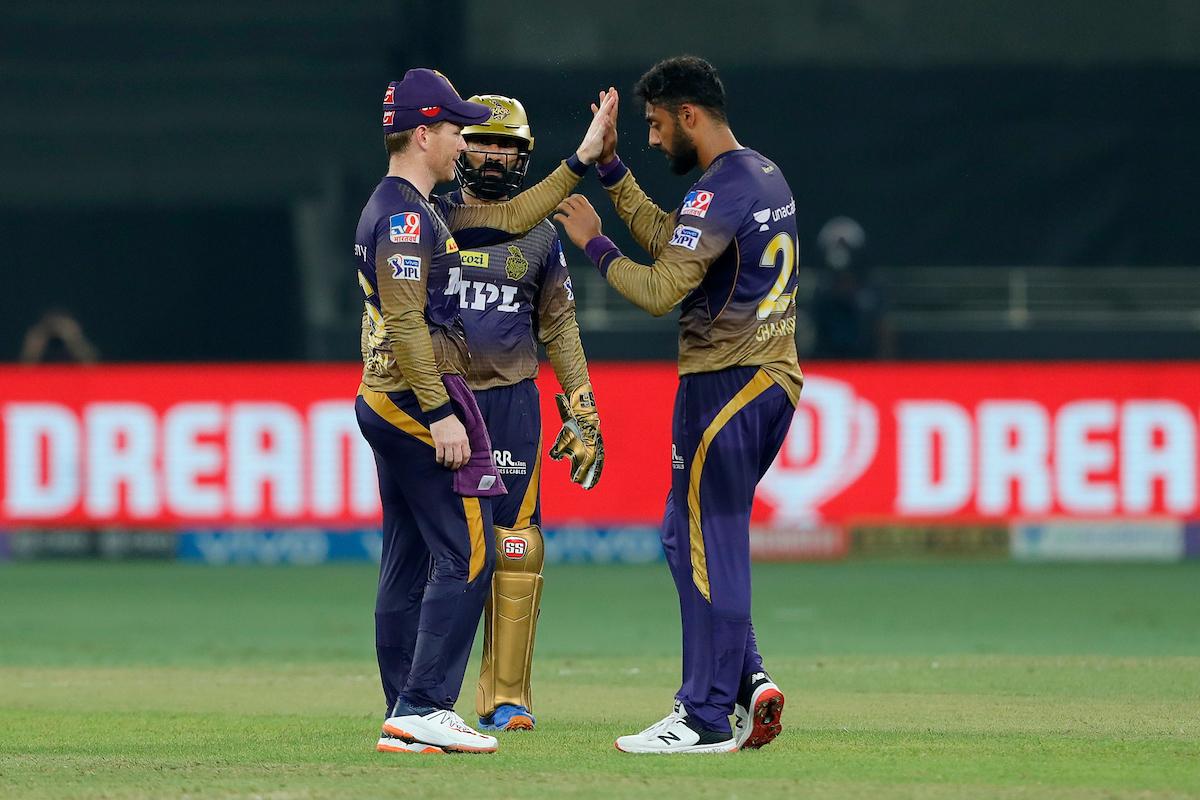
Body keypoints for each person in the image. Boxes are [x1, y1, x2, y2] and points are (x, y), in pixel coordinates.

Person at [354, 68, 615, 755]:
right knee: (469, 552)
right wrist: (439, 411)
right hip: (428, 402)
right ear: (428, 135)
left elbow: (515, 234)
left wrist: (581, 160)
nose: (474, 148)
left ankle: (433, 704)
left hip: (465, 401)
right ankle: (424, 704)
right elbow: (409, 325)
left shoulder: (426, 209)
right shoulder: (412, 214)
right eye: (459, 133)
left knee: (418, 556)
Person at [554, 57, 801, 754]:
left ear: (689, 114)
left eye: (659, 125)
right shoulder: (760, 174)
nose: (654, 140)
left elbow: (663, 288)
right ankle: (749, 679)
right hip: (770, 379)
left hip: (727, 381)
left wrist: (594, 245)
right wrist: (610, 173)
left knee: (705, 540)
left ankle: (700, 715)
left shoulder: (718, 190)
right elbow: (681, 246)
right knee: (683, 533)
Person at [448, 94, 604, 733]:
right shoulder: (431, 216)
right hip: (443, 404)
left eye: (509, 147)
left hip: (512, 402)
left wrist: (582, 409)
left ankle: (504, 697)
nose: (495, 156)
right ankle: (421, 697)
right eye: (485, 142)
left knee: (516, 546)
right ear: (461, 147)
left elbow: (559, 325)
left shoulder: (541, 235)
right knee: (449, 551)